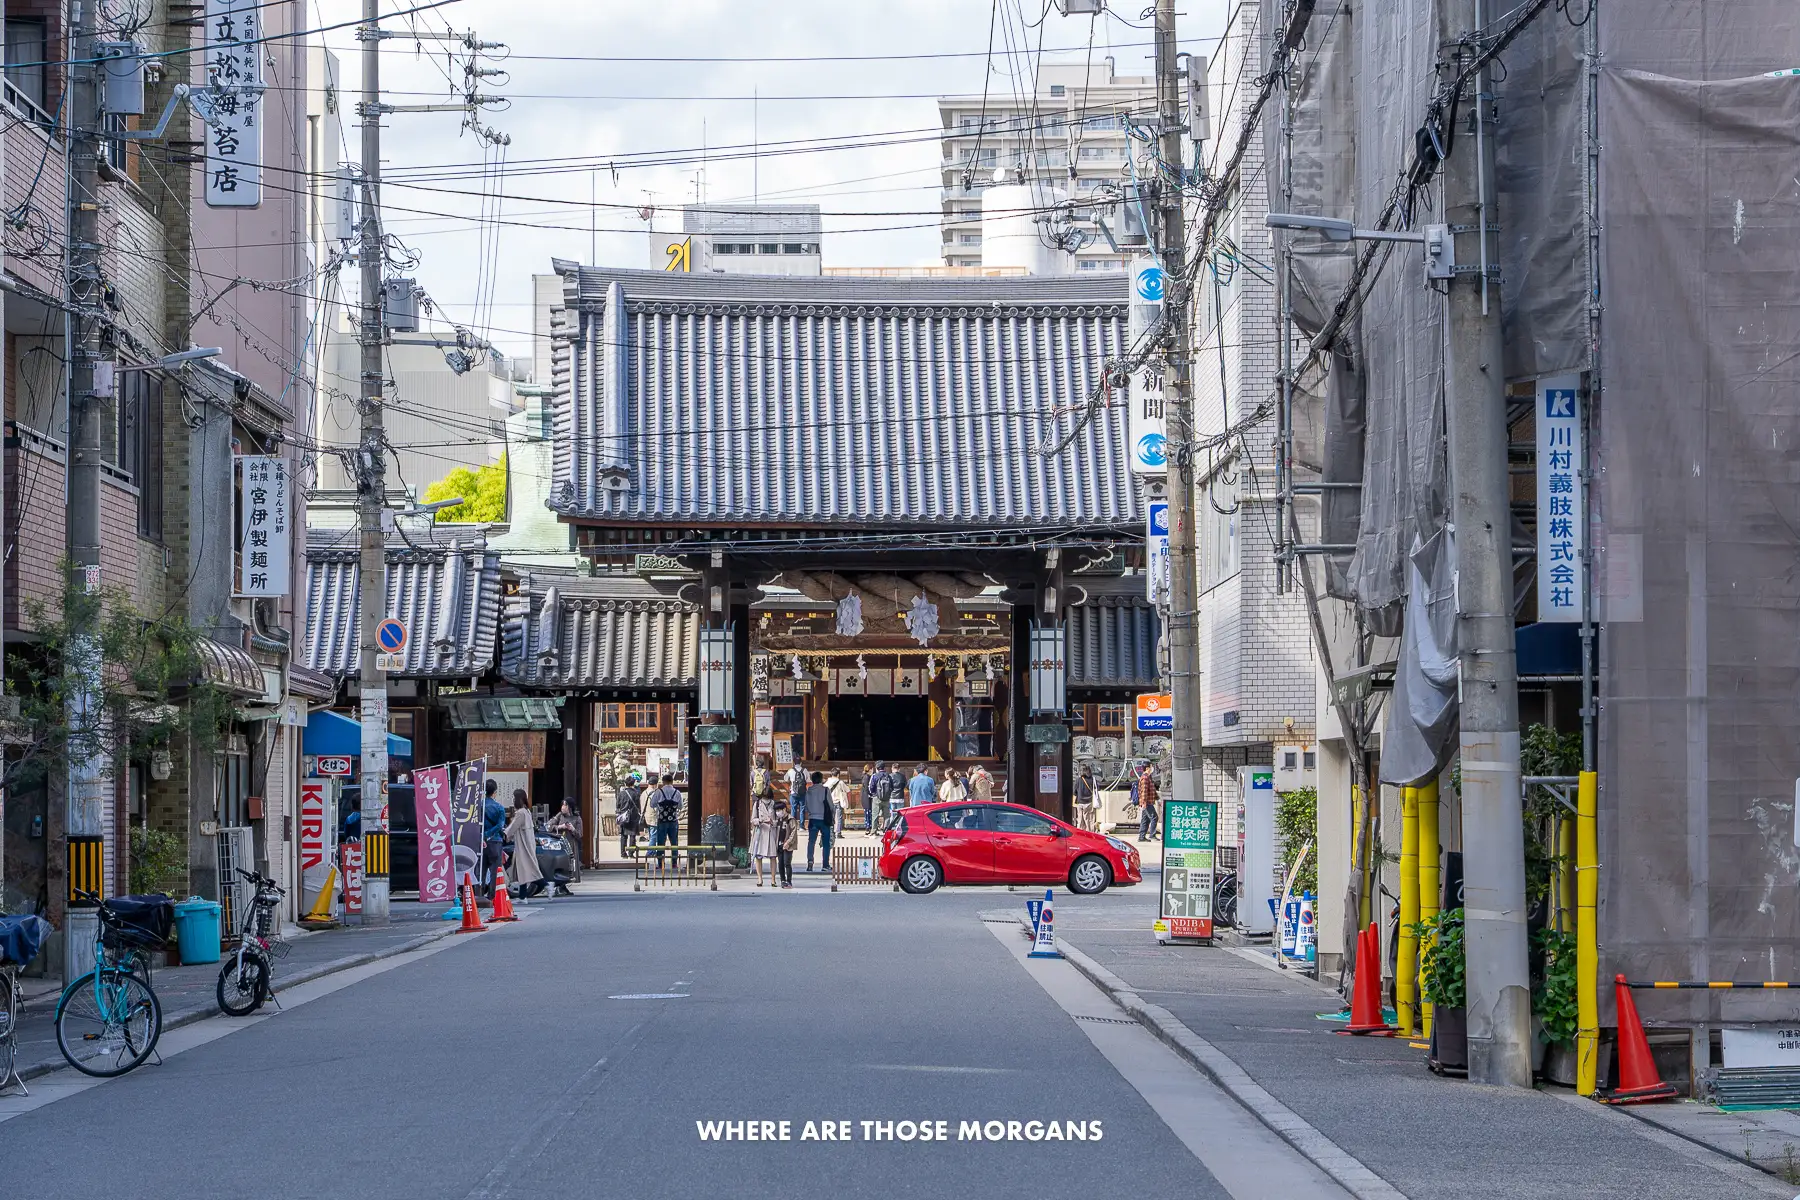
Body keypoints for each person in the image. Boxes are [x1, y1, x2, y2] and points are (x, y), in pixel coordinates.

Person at [503, 792, 545, 899]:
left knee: (529, 870)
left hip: (523, 846)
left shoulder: (520, 813)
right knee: (524, 870)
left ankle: (546, 885)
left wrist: (504, 833)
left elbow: (512, 828)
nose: (513, 800)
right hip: (528, 844)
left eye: (514, 798)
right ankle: (523, 897)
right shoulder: (527, 811)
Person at [646, 774, 683, 872]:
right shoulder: (677, 792)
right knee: (674, 842)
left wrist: (659, 807)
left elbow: (652, 804)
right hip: (673, 821)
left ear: (663, 782)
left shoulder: (659, 792)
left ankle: (660, 864)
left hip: (662, 820)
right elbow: (680, 806)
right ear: (672, 781)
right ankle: (674, 863)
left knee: (661, 842)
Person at [750, 772, 781, 887]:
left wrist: (773, 822)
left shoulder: (774, 804)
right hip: (760, 832)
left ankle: (773, 879)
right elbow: (752, 819)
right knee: (758, 856)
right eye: (764, 798)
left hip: (771, 832)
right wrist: (759, 821)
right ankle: (759, 878)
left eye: (767, 798)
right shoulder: (757, 804)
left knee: (773, 856)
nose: (766, 800)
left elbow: (779, 819)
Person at [802, 770, 834, 872]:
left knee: (811, 842)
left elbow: (806, 807)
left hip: (812, 819)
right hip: (824, 819)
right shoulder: (825, 790)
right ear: (821, 779)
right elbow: (831, 806)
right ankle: (825, 864)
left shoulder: (808, 791)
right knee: (826, 843)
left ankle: (810, 863)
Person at [480, 778, 507, 899]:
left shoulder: (478, 806)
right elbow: (500, 825)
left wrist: (484, 835)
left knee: (481, 870)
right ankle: (492, 896)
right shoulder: (499, 807)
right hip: (495, 841)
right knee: (495, 871)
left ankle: (478, 895)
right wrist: (489, 833)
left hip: (480, 841)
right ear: (495, 792)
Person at [548, 798, 583, 885]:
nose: (563, 807)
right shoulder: (560, 815)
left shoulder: (577, 818)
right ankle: (560, 885)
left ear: (570, 807)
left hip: (571, 845)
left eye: (565, 805)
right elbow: (549, 826)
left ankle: (566, 884)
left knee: (570, 866)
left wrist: (572, 829)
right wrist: (560, 827)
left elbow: (580, 835)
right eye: (562, 805)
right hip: (559, 844)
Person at [615, 771, 644, 859]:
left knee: (623, 835)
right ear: (633, 783)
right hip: (633, 816)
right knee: (632, 835)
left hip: (623, 816)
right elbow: (639, 805)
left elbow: (618, 805)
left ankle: (623, 853)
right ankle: (631, 853)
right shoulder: (636, 793)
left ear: (625, 784)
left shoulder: (621, 793)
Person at [775, 794, 798, 888]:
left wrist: (788, 842)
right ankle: (782, 880)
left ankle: (789, 880)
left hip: (787, 845)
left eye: (779, 810)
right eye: (776, 810)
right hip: (779, 844)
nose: (778, 812)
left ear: (784, 809)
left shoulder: (790, 819)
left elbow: (793, 832)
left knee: (787, 863)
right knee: (780, 863)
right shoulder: (778, 820)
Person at [863, 761, 891, 832]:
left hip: (876, 798)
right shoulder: (888, 775)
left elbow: (870, 787)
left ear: (877, 768)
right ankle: (886, 830)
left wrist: (874, 794)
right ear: (884, 767)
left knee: (875, 815)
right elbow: (892, 787)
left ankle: (874, 831)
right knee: (887, 816)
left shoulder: (874, 776)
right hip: (886, 798)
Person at [1136, 764, 1160, 842]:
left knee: (1145, 819)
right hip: (1147, 802)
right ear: (1147, 768)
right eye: (1151, 767)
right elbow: (1144, 791)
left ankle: (1141, 837)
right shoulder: (1145, 778)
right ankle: (1152, 835)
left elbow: (1151, 790)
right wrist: (1144, 802)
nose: (1152, 769)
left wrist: (1157, 799)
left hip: (1147, 801)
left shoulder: (1148, 778)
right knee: (1154, 817)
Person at [828, 769, 850, 839]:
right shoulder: (840, 782)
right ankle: (838, 833)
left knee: (831, 818)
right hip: (838, 802)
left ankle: (831, 832)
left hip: (830, 802)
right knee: (839, 818)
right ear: (838, 775)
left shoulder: (828, 782)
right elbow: (848, 790)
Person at [1074, 766, 1096, 832]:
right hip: (1089, 802)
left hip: (1080, 802)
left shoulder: (1078, 780)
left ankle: (1080, 833)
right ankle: (1090, 833)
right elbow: (1096, 789)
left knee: (1080, 819)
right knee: (1089, 819)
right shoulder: (1092, 779)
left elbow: (1074, 792)